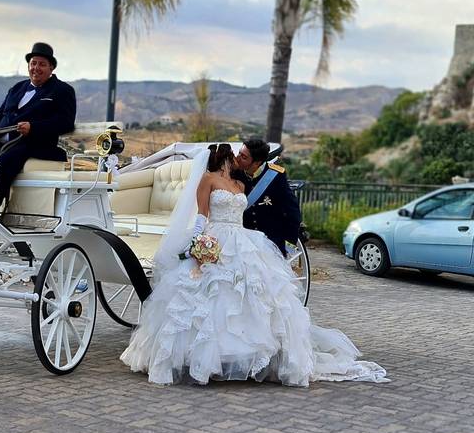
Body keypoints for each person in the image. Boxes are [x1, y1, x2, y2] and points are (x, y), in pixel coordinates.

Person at [120, 144, 387, 386]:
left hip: (244, 240)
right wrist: (198, 243)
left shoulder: (241, 184)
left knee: (253, 295)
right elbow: (202, 214)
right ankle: (208, 357)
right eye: (235, 156)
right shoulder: (207, 179)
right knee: (214, 296)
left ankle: (250, 354)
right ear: (223, 158)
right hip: (217, 238)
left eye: (243, 156)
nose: (238, 159)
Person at [0, 42, 76, 216]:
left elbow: (66, 123)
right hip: (2, 144)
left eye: (42, 64)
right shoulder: (17, 88)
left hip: (35, 145)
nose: (36, 68)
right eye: (33, 63)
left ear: (51, 68)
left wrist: (34, 128)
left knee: (4, 161)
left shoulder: (62, 91)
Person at [233, 138, 302, 255]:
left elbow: (292, 210)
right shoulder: (235, 173)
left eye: (244, 157)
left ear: (256, 162)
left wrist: (289, 242)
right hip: (242, 240)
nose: (237, 158)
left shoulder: (275, 175)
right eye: (239, 153)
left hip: (270, 241)